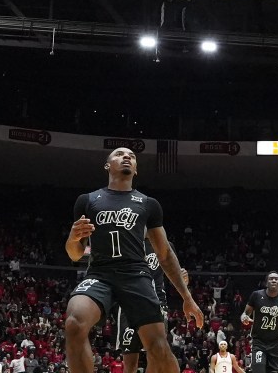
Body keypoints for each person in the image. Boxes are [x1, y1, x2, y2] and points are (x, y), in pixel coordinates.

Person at [63, 148, 204, 373]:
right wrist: (73, 238)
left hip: (136, 276)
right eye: (119, 154)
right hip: (100, 274)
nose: (126, 156)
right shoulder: (87, 200)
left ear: (136, 169)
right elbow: (75, 254)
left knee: (159, 349)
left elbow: (165, 254)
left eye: (132, 156)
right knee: (73, 322)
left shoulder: (148, 204)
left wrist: (187, 297)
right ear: (107, 165)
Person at [119, 241, 190, 373]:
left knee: (157, 353)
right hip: (129, 302)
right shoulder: (127, 239)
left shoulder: (164, 244)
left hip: (156, 302)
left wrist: (183, 279)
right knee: (129, 360)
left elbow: (175, 274)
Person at [242, 273, 278, 373]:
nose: (274, 281)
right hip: (259, 342)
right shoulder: (256, 295)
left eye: (276, 279)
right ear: (266, 283)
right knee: (258, 369)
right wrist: (244, 317)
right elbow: (245, 313)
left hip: (276, 343)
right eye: (271, 279)